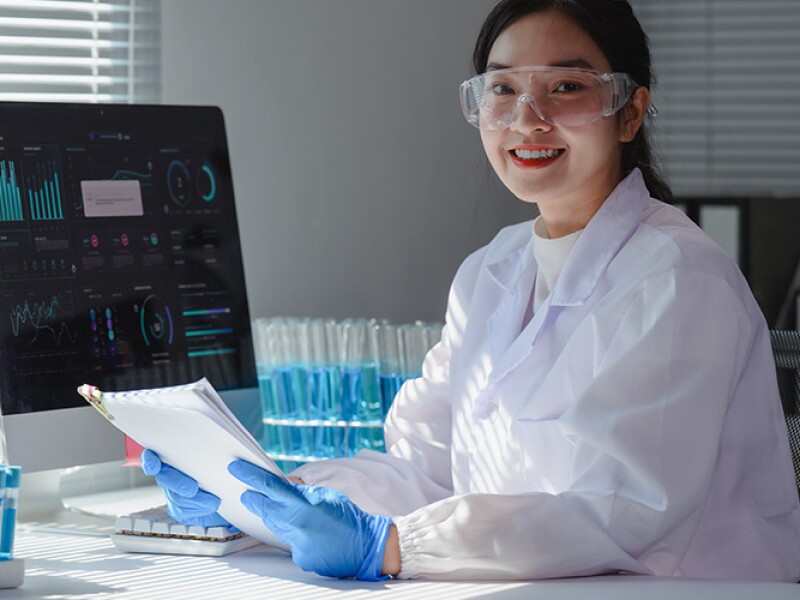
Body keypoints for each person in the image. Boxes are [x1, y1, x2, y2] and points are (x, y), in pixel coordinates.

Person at [142, 0, 800, 582]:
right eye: (503, 89)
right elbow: (426, 468)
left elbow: (618, 510)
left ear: (628, 113)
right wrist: (271, 495)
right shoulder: (492, 272)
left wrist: (395, 545)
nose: (527, 118)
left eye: (566, 86)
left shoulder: (680, 279)